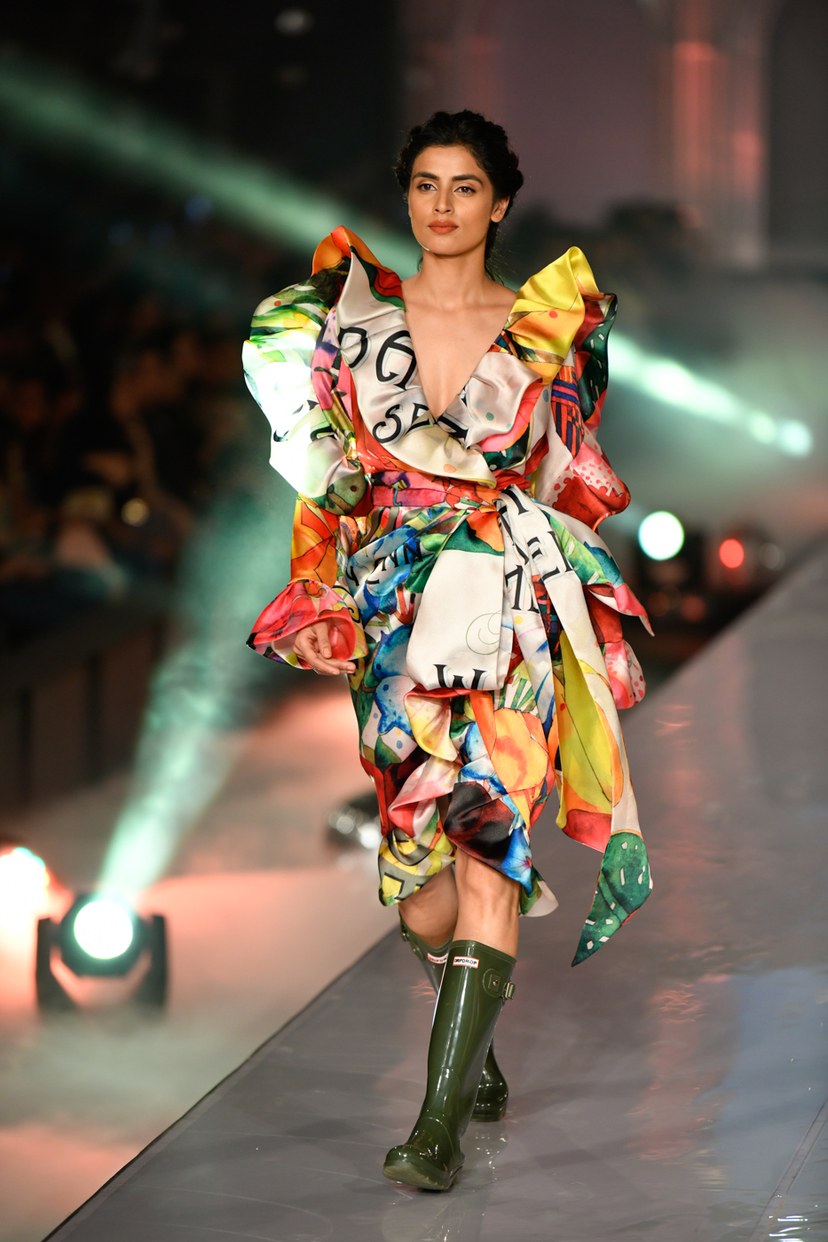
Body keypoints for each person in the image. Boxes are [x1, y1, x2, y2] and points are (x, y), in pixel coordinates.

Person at [242, 110, 652, 1192]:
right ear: (408, 195)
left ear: (500, 202)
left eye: (465, 187)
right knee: (419, 882)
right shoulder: (344, 323)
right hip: (391, 607)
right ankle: (476, 1040)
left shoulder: (548, 327)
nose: (442, 205)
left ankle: (435, 1130)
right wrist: (319, 591)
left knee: (489, 848)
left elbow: (572, 471)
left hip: (507, 600)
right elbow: (318, 476)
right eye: (426, 184)